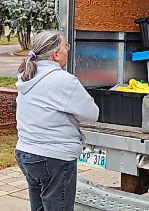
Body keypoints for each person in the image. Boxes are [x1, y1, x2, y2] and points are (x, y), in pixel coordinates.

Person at [15, 30, 99, 211]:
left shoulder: (26, 76)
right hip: (54, 158)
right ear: (55, 54)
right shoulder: (64, 80)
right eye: (65, 46)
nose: (68, 50)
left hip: (26, 154)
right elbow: (92, 113)